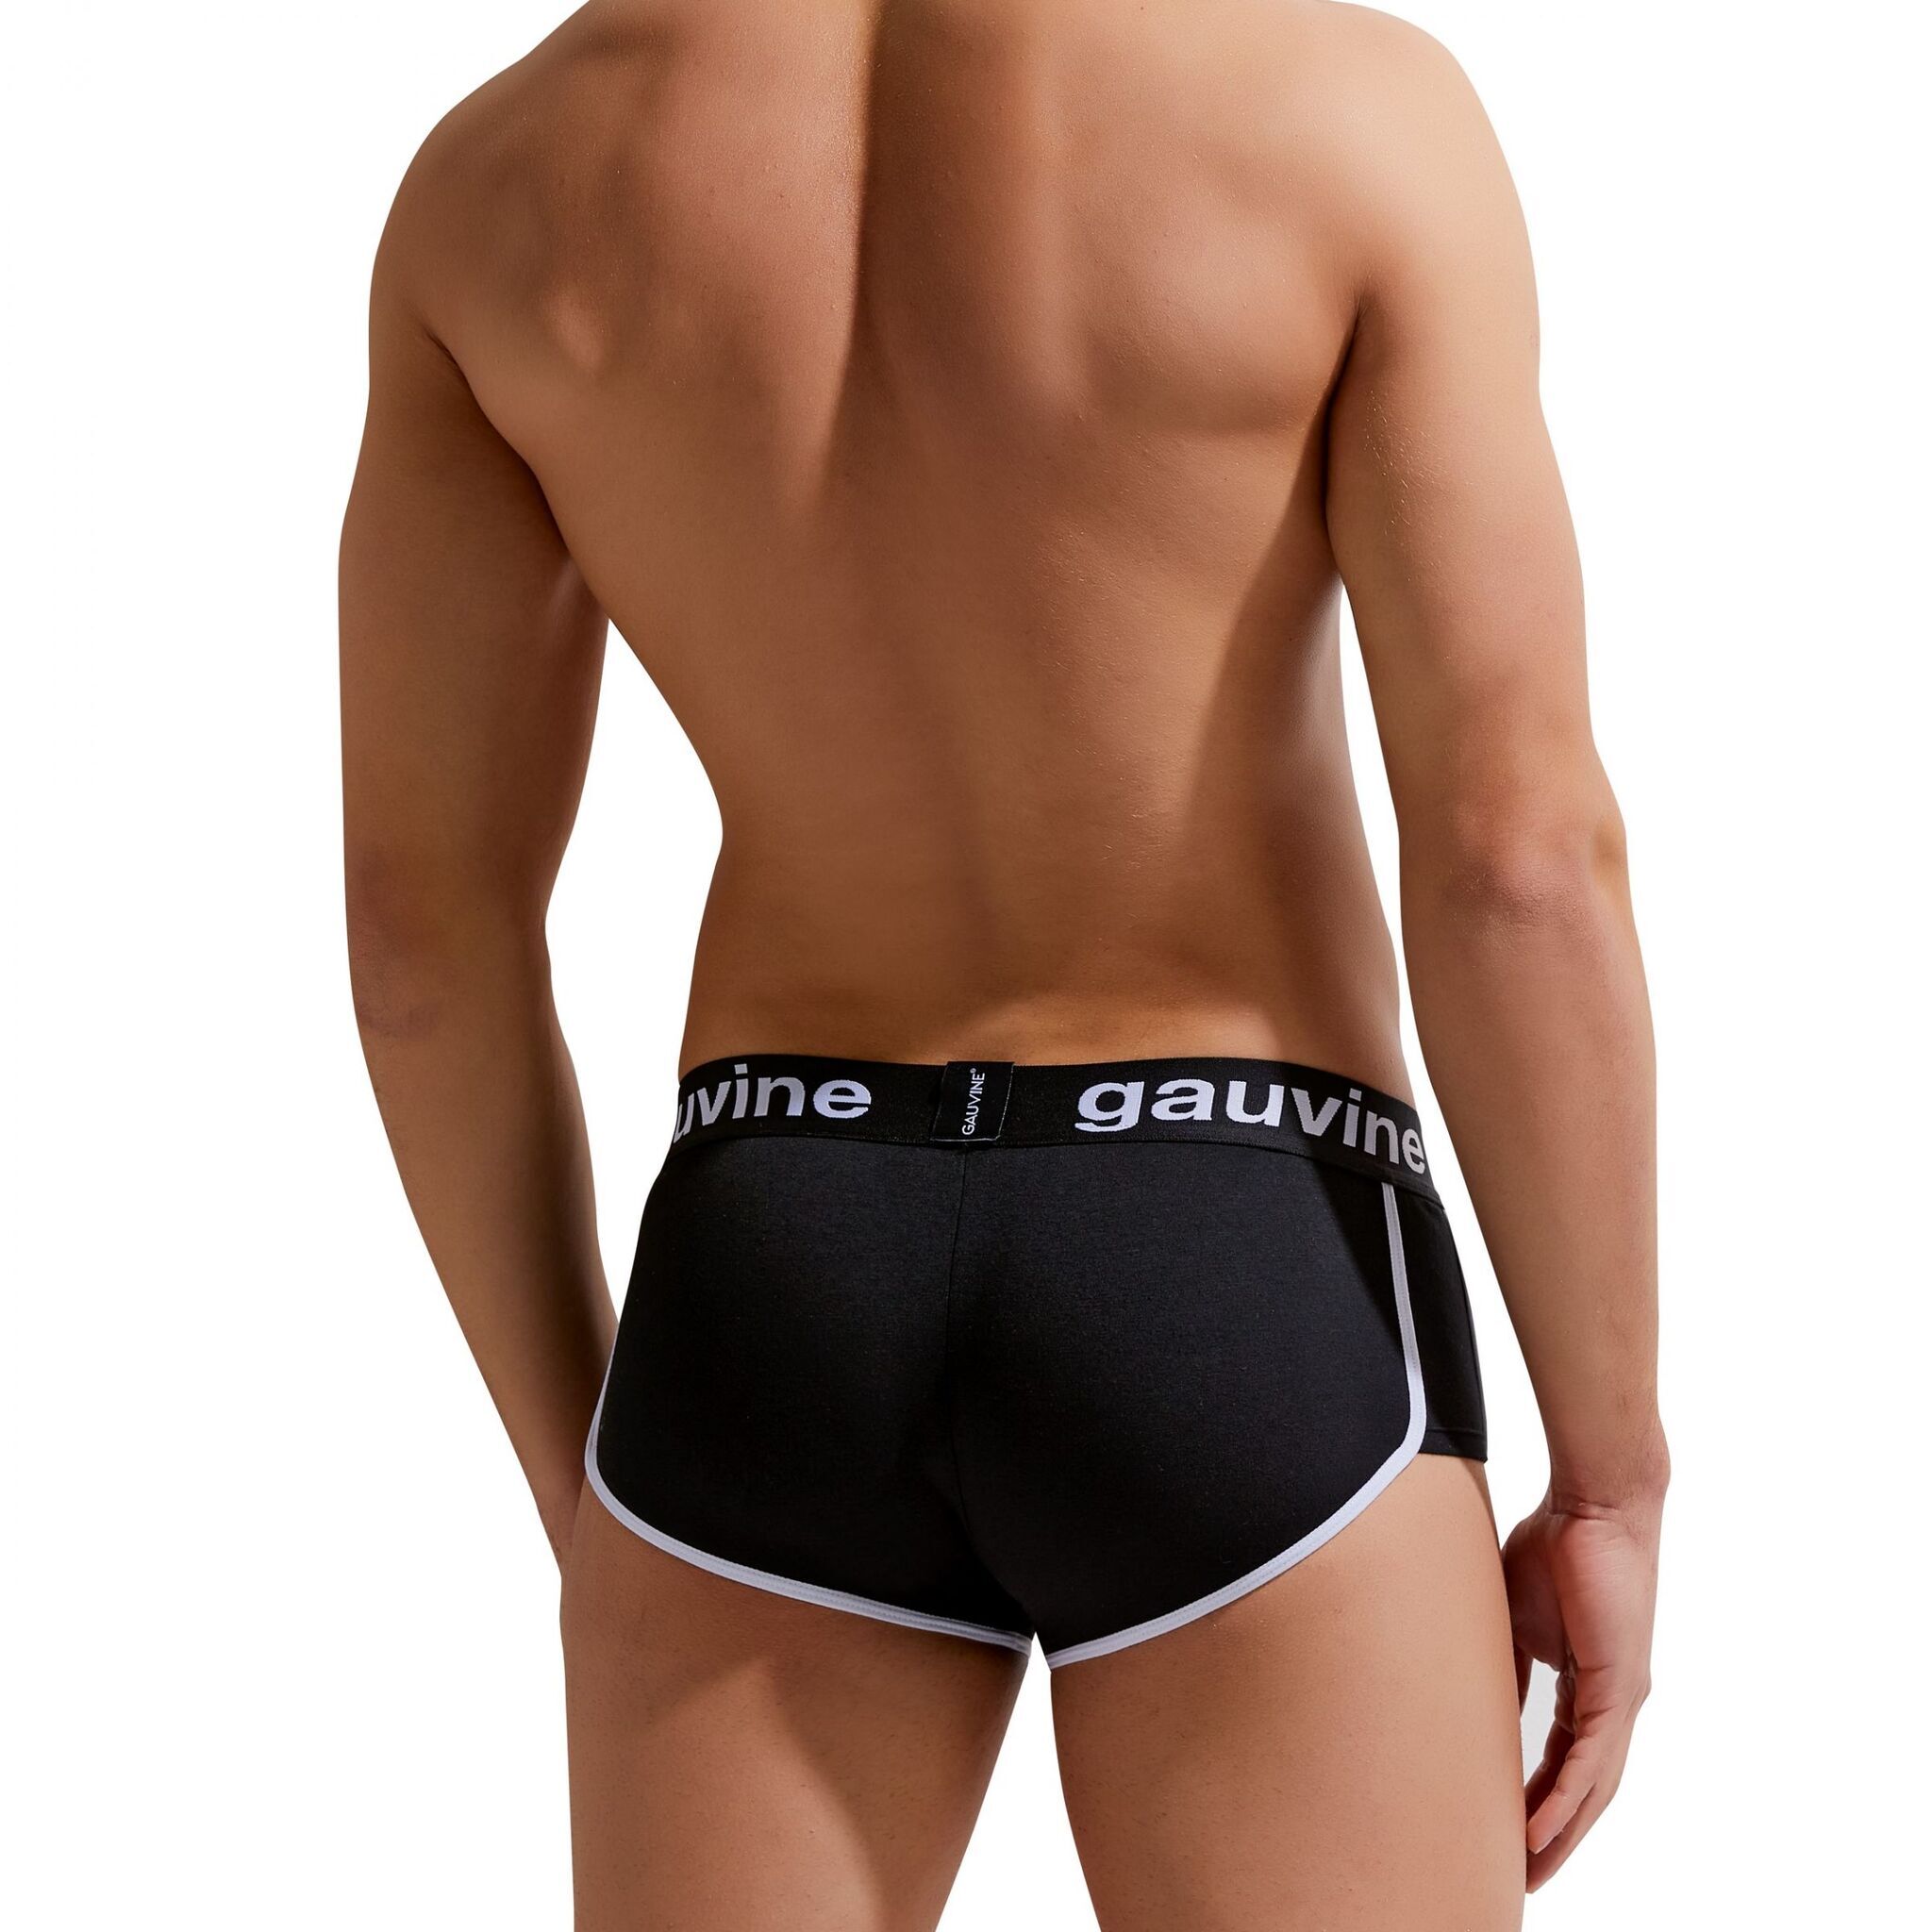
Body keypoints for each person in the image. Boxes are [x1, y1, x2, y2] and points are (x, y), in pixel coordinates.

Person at [340, 3, 1666, 1924]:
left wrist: (600, 1484)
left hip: (770, 1256)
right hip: (1239, 1239)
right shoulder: (1338, 108)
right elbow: (1517, 856)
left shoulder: (502, 180)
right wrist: (1609, 1474)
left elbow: (420, 930)